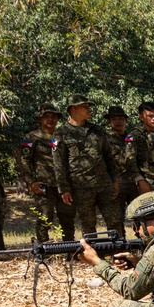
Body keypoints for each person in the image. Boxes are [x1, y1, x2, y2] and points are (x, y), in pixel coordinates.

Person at [52, 95, 122, 236]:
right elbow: (59, 163)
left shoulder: (97, 130)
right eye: (85, 106)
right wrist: (64, 189)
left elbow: (108, 156)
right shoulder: (61, 133)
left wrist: (115, 180)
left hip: (104, 184)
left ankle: (117, 247)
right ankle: (92, 249)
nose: (89, 109)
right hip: (81, 186)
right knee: (88, 224)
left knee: (115, 220)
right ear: (74, 108)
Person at [18, 103, 76, 242]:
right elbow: (24, 160)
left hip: (64, 186)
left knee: (67, 217)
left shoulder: (63, 136)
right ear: (40, 119)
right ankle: (43, 248)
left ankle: (70, 248)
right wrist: (31, 182)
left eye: (53, 117)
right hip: (43, 185)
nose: (50, 120)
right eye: (46, 117)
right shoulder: (31, 137)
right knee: (45, 217)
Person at [104, 105, 139, 216]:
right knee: (116, 216)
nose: (117, 122)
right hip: (115, 182)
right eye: (114, 119)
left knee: (139, 213)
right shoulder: (105, 138)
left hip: (134, 181)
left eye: (121, 119)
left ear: (126, 120)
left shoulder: (132, 137)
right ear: (109, 121)